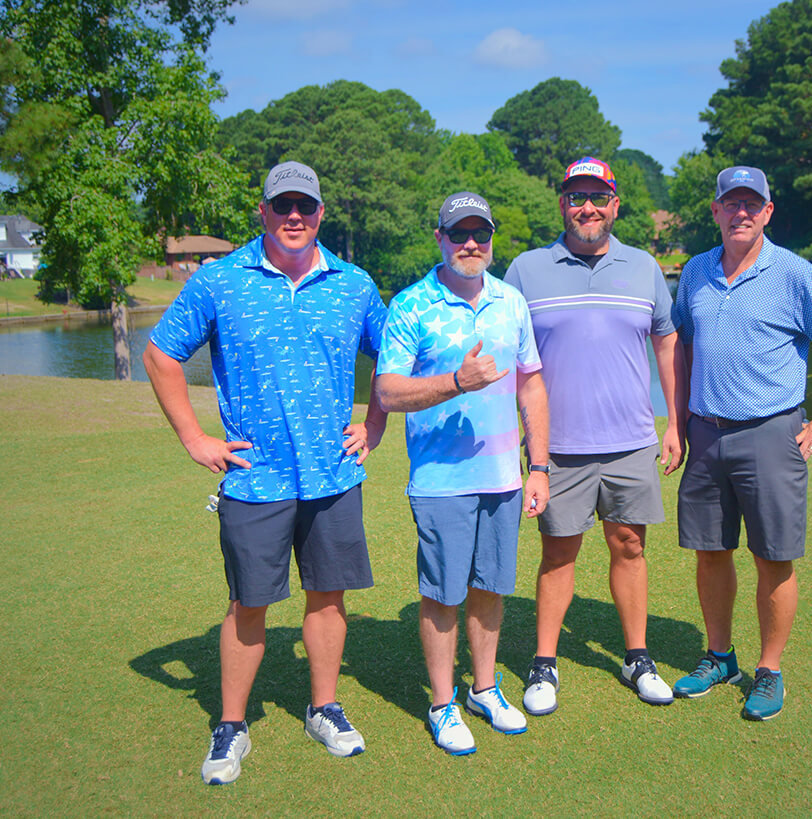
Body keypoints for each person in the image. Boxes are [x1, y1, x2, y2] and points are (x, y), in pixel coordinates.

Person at [143, 161, 388, 784]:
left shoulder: (354, 284)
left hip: (333, 475)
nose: (294, 217)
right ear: (264, 212)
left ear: (321, 213)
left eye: (305, 206)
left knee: (327, 600)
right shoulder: (220, 281)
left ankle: (323, 707)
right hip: (255, 477)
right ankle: (231, 726)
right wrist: (194, 437)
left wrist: (376, 424)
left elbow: (395, 359)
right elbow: (160, 353)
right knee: (249, 603)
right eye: (283, 206)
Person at [671, 165, 812, 720]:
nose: (741, 212)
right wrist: (679, 421)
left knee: (773, 557)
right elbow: (682, 344)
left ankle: (770, 669)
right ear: (715, 211)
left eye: (751, 204)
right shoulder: (696, 271)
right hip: (706, 433)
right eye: (731, 203)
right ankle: (719, 656)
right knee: (710, 551)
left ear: (768, 212)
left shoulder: (797, 274)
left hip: (771, 433)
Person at [504, 157, 682, 715]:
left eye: (598, 198)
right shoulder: (526, 269)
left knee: (629, 545)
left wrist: (674, 421)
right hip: (555, 447)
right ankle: (543, 664)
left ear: (615, 205)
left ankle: (637, 657)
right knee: (559, 553)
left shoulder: (644, 266)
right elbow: (505, 356)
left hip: (631, 440)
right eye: (577, 197)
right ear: (562, 204)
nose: (588, 208)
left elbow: (667, 343)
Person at [375, 191, 550, 755]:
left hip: (503, 477)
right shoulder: (410, 306)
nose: (471, 244)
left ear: (492, 239)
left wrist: (539, 466)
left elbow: (532, 385)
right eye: (459, 234)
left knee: (491, 588)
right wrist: (456, 381)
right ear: (440, 240)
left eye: (480, 233)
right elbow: (387, 390)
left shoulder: (511, 302)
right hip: (440, 481)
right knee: (443, 594)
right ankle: (442, 704)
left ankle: (485, 688)